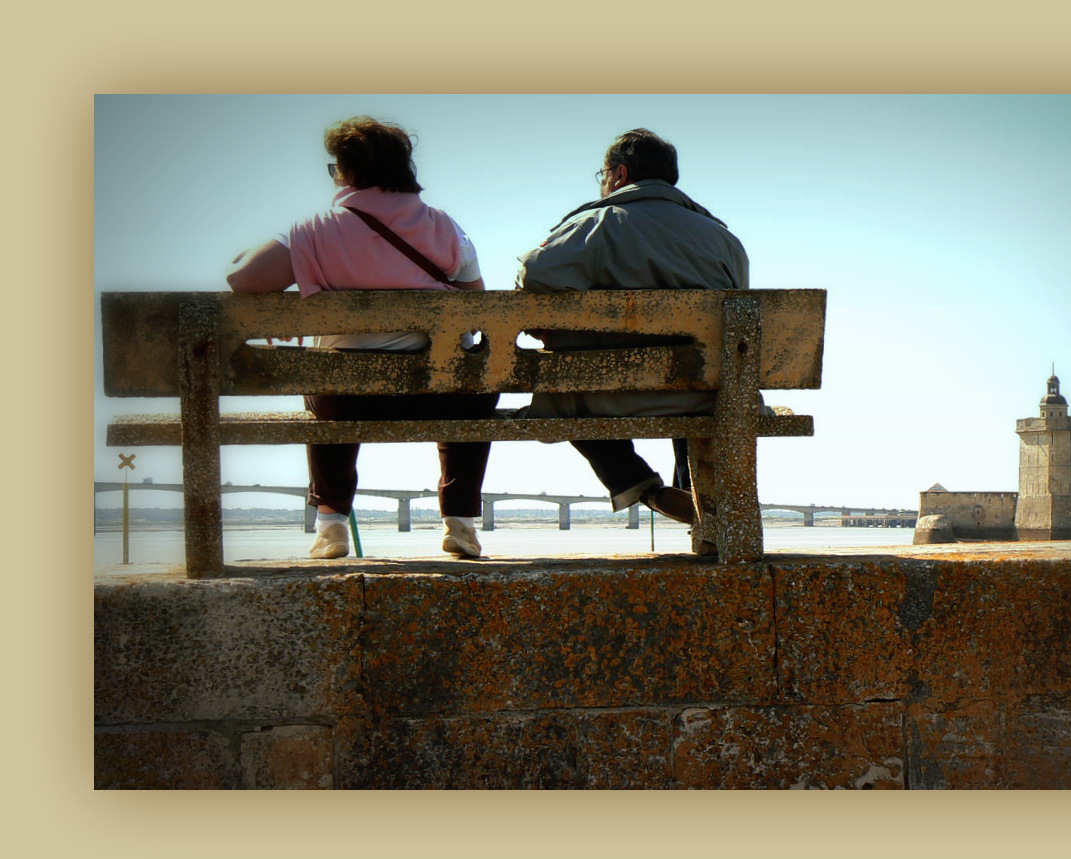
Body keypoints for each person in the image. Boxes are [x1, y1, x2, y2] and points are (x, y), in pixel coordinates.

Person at [225, 116, 497, 560]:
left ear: (347, 172)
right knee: (470, 381)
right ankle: (461, 522)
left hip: (346, 398)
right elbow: (479, 308)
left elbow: (241, 277)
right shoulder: (445, 228)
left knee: (327, 383)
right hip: (437, 395)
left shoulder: (314, 230)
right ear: (404, 169)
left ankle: (331, 524)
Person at [515, 128, 749, 528]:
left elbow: (534, 274)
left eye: (602, 175)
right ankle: (701, 507)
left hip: (607, 395)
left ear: (619, 174)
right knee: (700, 368)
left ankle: (639, 484)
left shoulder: (598, 223)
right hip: (705, 395)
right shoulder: (723, 239)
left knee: (563, 389)